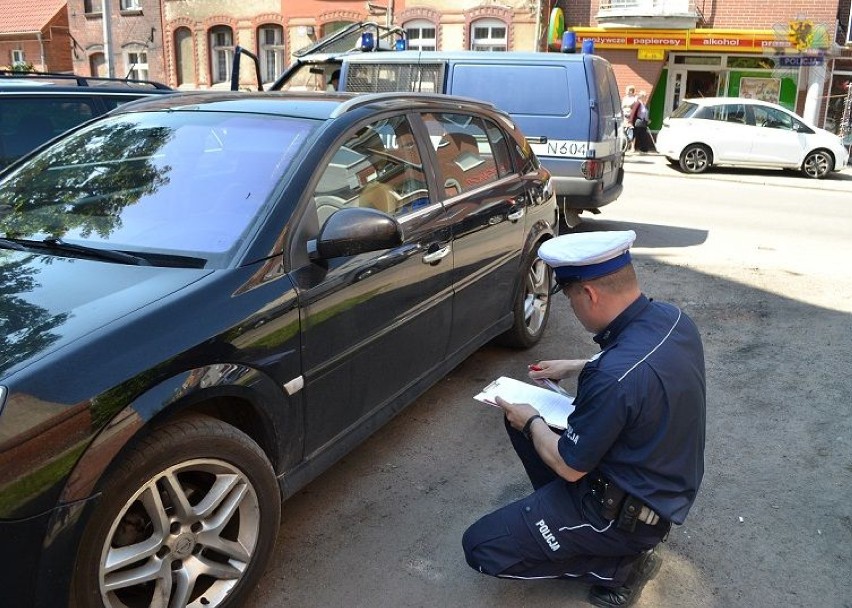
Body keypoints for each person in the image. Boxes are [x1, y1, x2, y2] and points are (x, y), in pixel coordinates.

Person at [462, 230, 706, 608]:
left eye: (570, 296)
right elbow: (635, 363)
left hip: (623, 516)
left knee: (480, 547)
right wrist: (578, 365)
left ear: (589, 294)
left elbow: (570, 466)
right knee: (528, 425)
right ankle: (561, 517)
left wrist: (531, 421)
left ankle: (618, 566)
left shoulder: (612, 379)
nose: (571, 308)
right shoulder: (672, 319)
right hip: (658, 485)